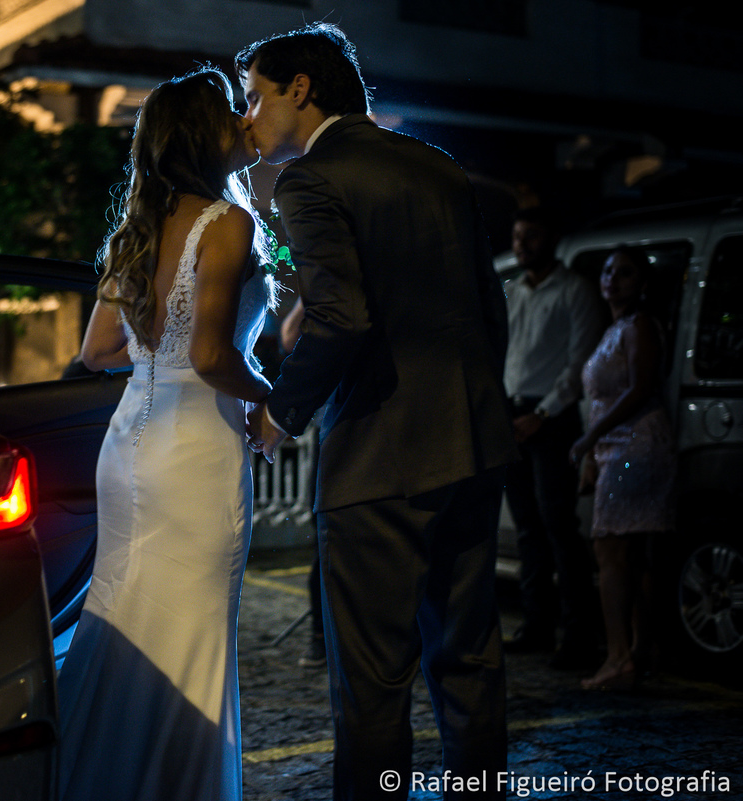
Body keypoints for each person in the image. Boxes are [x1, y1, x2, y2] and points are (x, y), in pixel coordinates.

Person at [237, 23, 518, 801]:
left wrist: (280, 414)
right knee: (470, 656)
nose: (247, 116)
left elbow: (341, 317)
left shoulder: (309, 180)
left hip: (379, 454)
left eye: (255, 96)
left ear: (302, 88)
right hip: (472, 441)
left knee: (372, 679)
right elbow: (490, 308)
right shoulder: (438, 167)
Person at [57, 66, 275, 801]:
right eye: (230, 111)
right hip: (194, 453)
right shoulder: (228, 223)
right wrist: (276, 401)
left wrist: (159, 355)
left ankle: (98, 775)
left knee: (123, 611)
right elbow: (215, 356)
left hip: (128, 447)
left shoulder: (138, 228)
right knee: (190, 625)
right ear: (202, 134)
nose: (244, 121)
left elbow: (98, 351)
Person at [568, 246, 675, 690]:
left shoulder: (638, 327)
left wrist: (590, 439)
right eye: (608, 271)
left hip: (635, 444)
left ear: (643, 284)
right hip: (616, 445)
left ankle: (618, 657)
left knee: (611, 551)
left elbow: (639, 388)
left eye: (625, 273)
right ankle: (638, 649)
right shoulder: (615, 328)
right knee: (627, 555)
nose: (613, 279)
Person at [502, 207, 605, 668]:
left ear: (551, 239)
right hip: (514, 413)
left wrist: (542, 414)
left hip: (552, 419)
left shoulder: (575, 291)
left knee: (559, 527)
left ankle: (577, 634)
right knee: (527, 529)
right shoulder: (513, 291)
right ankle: (536, 624)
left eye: (531, 236)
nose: (522, 244)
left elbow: (580, 362)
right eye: (518, 236)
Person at [279, 298, 326, 669]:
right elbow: (290, 337)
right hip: (332, 431)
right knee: (325, 542)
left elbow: (291, 336)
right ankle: (321, 637)